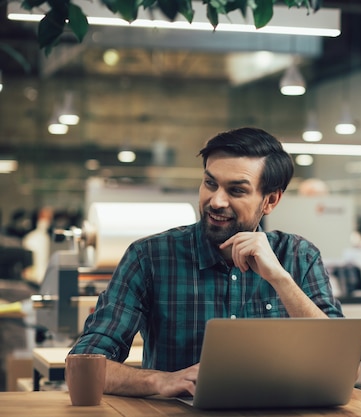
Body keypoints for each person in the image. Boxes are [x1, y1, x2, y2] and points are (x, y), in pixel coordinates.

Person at [69, 127, 343, 398]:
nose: (217, 201)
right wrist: (161, 381)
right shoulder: (150, 257)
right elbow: (83, 365)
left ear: (270, 200)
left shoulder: (299, 257)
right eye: (210, 184)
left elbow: (343, 369)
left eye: (236, 190)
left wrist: (281, 280)